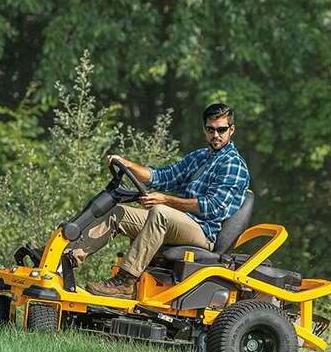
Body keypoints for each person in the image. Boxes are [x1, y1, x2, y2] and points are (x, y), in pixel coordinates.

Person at [68, 103, 250, 299]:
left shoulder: (233, 164)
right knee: (117, 212)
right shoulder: (200, 157)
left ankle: (125, 281)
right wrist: (128, 164)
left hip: (203, 231)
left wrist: (165, 200)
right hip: (179, 220)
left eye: (221, 130)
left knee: (160, 212)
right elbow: (162, 176)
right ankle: (68, 260)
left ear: (231, 129)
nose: (216, 135)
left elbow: (213, 208)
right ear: (204, 129)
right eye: (211, 129)